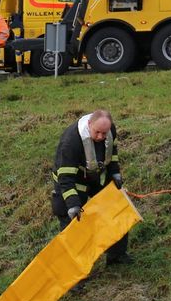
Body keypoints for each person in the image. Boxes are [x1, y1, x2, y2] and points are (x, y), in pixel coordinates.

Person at [51, 109, 132, 265]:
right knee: (73, 227)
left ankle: (116, 255)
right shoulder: (70, 142)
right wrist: (73, 205)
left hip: (95, 177)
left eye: (104, 133)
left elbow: (112, 152)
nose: (101, 137)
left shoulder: (109, 130)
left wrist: (114, 172)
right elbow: (65, 178)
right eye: (97, 133)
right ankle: (75, 276)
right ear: (89, 124)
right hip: (70, 183)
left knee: (115, 208)